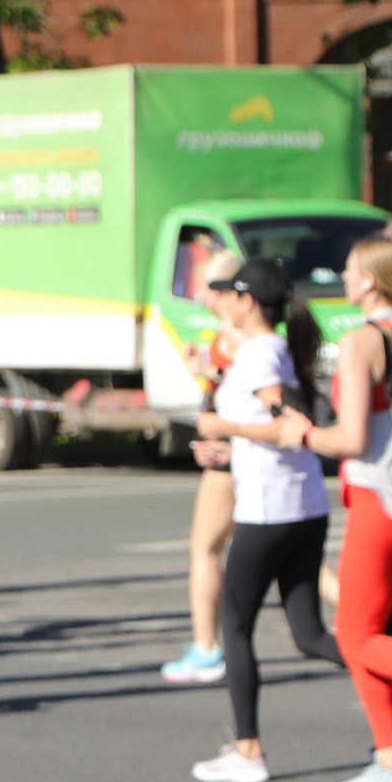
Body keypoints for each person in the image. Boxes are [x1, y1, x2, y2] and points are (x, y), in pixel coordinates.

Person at [187, 259, 334, 782]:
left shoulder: (258, 354)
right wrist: (225, 450)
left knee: (236, 624)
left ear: (247, 301)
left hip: (270, 511)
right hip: (302, 503)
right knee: (310, 635)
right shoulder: (272, 349)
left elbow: (288, 423)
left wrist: (222, 424)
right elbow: (276, 432)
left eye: (229, 292)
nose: (222, 299)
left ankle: (248, 751)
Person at [290, 234, 392, 782]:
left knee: (356, 636)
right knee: (359, 630)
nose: (341, 277)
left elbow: (350, 436)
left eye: (347, 269)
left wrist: (304, 433)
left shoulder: (362, 340)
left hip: (380, 499)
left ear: (368, 280)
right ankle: (391, 760)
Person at [165, 246, 244, 684]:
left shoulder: (232, 334)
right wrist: (206, 370)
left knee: (204, 547)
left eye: (207, 287)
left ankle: (207, 646)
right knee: (295, 561)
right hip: (232, 450)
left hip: (229, 455)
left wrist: (219, 438)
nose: (199, 295)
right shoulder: (235, 333)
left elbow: (239, 390)